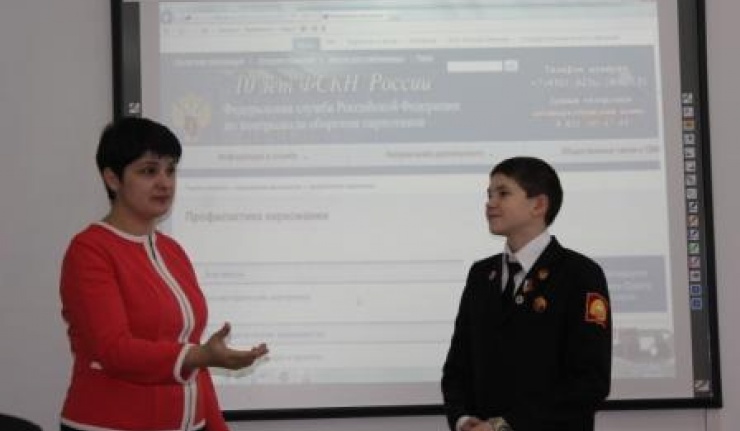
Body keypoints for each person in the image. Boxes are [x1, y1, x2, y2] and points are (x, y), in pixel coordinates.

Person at [59, 117, 269, 431]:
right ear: (113, 179)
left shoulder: (173, 251)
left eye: (170, 170)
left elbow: (195, 357)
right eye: (149, 171)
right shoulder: (90, 250)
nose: (165, 183)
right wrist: (199, 355)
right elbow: (114, 350)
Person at [441, 156, 612, 431]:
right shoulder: (481, 275)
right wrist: (462, 419)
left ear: (539, 205)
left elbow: (589, 382)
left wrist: (504, 426)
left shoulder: (580, 274)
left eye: (503, 193)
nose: (490, 203)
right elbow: (457, 367)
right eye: (489, 194)